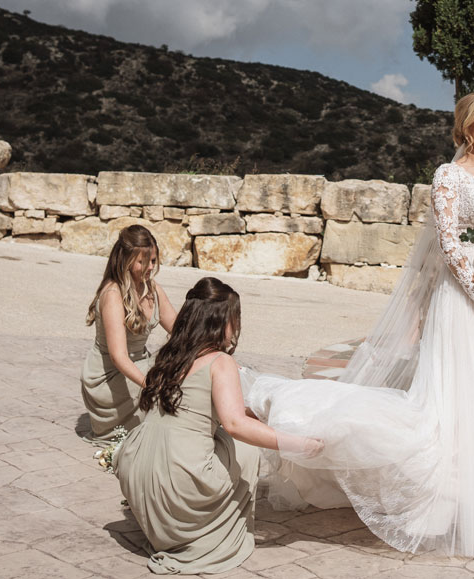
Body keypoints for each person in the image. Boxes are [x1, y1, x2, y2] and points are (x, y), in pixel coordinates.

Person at [247, 92, 474, 557]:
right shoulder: (449, 177)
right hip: (465, 305)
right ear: (465, 128)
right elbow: (449, 245)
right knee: (461, 402)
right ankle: (454, 505)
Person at [113, 277, 320, 575]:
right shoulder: (219, 361)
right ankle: (207, 531)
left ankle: (173, 524)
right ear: (219, 322)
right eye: (234, 319)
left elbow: (198, 405)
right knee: (245, 448)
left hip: (140, 470)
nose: (236, 326)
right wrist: (299, 444)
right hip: (178, 481)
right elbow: (235, 424)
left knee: (223, 435)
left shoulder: (169, 355)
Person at [80, 225, 177, 444]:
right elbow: (119, 357)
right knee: (168, 383)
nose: (150, 267)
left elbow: (180, 330)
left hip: (140, 365)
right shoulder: (113, 294)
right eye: (143, 262)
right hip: (111, 376)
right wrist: (151, 387)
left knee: (182, 367)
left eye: (153, 261)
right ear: (125, 259)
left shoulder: (152, 289)